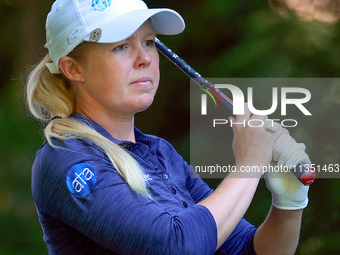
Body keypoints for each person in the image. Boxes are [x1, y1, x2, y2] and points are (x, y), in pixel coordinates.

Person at [26, 0, 310, 254]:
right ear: (73, 69)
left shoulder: (161, 153)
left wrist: (288, 205)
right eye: (121, 46)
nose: (144, 58)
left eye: (148, 42)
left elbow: (246, 249)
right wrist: (249, 164)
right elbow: (176, 246)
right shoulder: (66, 158)